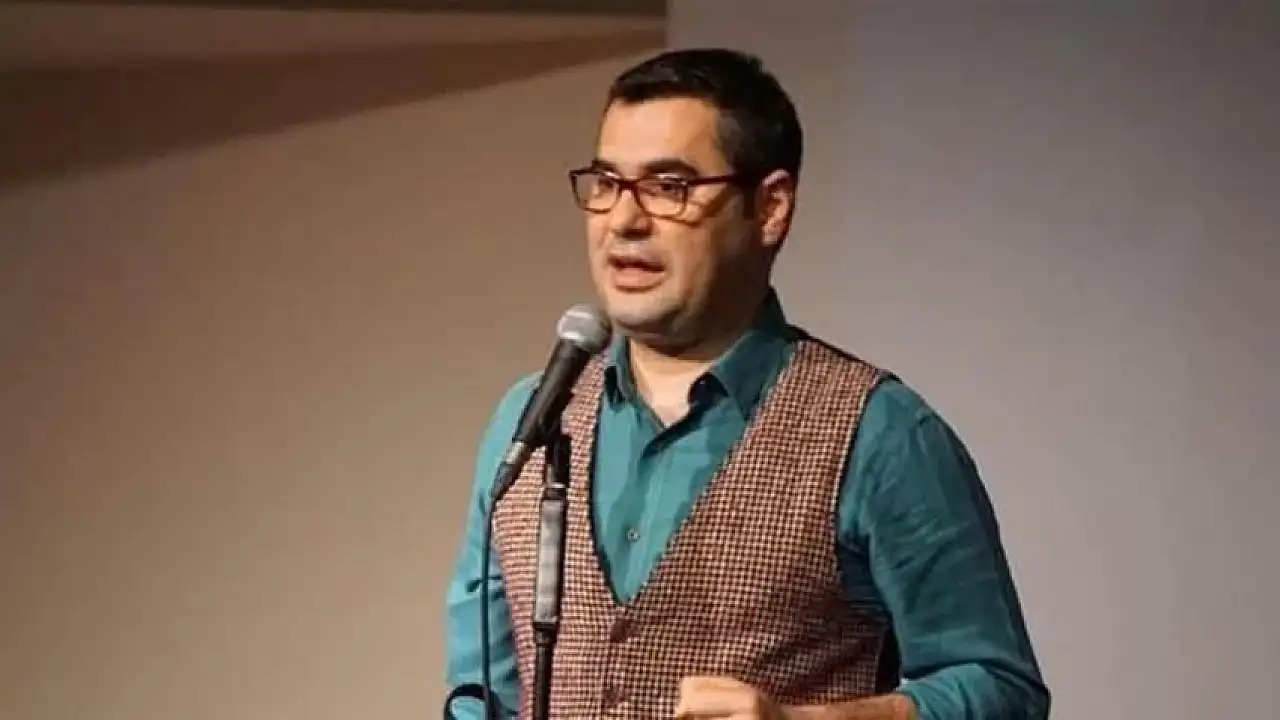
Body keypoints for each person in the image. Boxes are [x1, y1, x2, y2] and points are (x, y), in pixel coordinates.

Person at [444, 47, 1050, 720]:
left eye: (668, 187)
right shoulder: (530, 419)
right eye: (607, 182)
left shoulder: (881, 433)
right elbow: (481, 693)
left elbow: (1000, 690)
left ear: (769, 208)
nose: (623, 220)